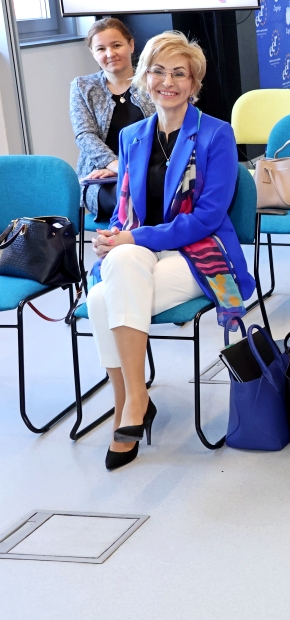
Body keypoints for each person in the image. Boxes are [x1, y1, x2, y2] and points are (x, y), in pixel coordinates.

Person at [86, 31, 256, 471]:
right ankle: (135, 399)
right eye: (159, 71)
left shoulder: (217, 134)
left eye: (180, 73)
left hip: (202, 252)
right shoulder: (132, 136)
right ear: (144, 78)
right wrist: (113, 236)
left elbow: (207, 218)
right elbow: (124, 212)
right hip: (143, 251)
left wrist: (133, 239)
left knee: (103, 299)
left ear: (194, 83)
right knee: (121, 261)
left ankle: (129, 403)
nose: (168, 82)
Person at [71, 18, 154, 222]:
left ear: (131, 45)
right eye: (101, 48)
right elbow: (84, 135)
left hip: (150, 171)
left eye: (116, 45)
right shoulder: (82, 86)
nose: (110, 54)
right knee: (129, 196)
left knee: (153, 190)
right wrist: (115, 165)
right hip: (101, 177)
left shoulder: (153, 82)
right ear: (93, 53)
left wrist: (132, 169)